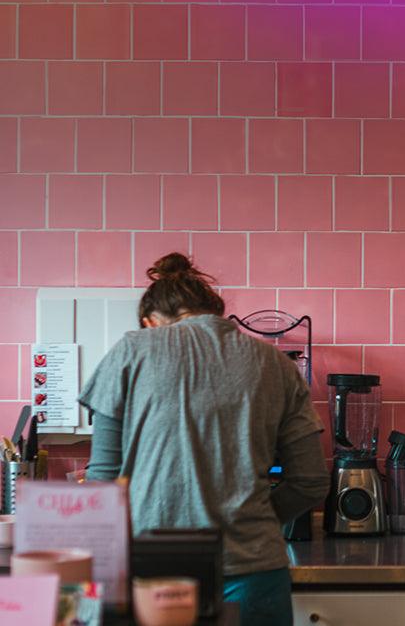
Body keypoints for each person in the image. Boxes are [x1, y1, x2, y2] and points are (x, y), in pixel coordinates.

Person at [80, 253, 328, 626]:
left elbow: (103, 481)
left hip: (153, 576)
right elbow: (311, 482)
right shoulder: (276, 365)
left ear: (150, 324)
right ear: (215, 311)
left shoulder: (130, 352)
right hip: (254, 571)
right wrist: (253, 517)